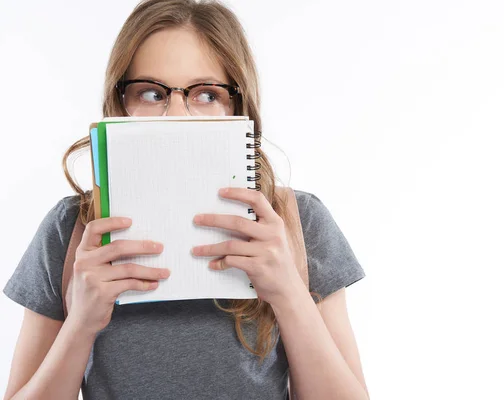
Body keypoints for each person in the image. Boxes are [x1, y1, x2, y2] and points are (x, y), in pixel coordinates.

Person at [2, 0, 368, 399]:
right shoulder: (71, 228)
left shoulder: (299, 222)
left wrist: (288, 292)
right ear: (120, 102)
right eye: (150, 93)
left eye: (207, 94)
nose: (176, 114)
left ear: (237, 105)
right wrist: (81, 323)